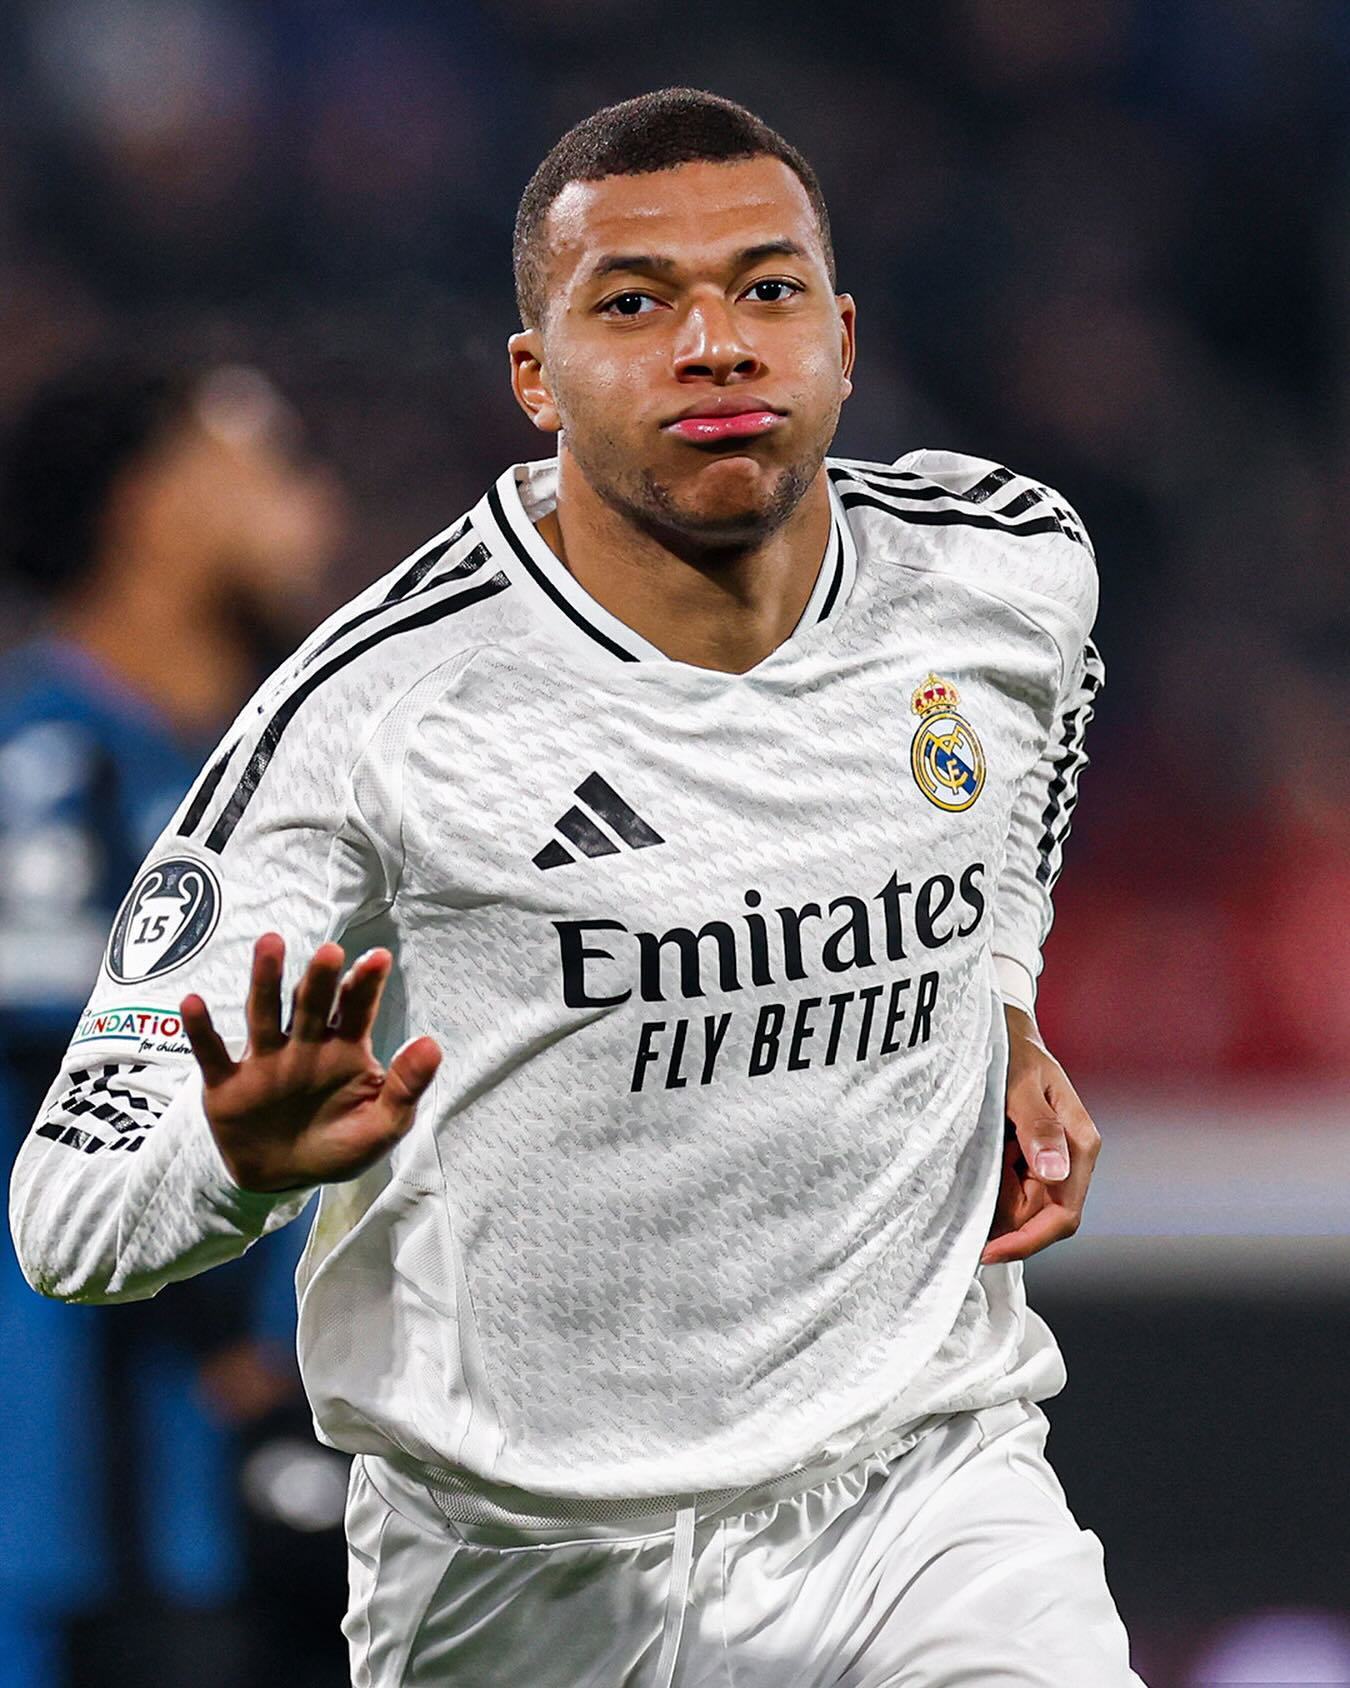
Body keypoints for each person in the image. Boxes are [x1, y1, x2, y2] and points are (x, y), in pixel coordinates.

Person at [11, 91, 1143, 1686]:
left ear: (840, 339)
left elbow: (1036, 752)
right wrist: (237, 1163)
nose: (715, 345)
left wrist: (1000, 998)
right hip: (526, 1570)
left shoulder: (1004, 567)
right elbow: (64, 1214)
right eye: (634, 304)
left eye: (765, 289)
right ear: (533, 379)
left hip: (922, 1496)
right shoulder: (367, 716)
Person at [0, 355, 340, 1685]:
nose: (311, 505)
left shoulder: (283, 774)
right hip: (84, 1494)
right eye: (264, 462)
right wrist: (231, 1322)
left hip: (287, 1481)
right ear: (148, 504)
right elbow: (71, 1071)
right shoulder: (48, 766)